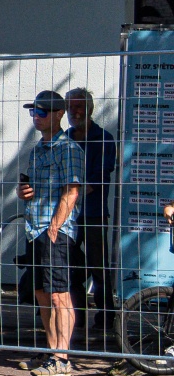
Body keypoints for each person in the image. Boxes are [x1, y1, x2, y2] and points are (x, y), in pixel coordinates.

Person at [19, 89, 84, 376]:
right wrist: (24, 192)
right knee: (42, 294)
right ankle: (50, 351)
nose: (36, 116)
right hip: (35, 229)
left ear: (59, 114)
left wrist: (56, 226)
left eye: (42, 112)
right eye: (33, 111)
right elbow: (35, 189)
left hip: (54, 231)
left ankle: (62, 358)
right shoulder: (37, 150)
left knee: (59, 295)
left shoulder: (69, 149)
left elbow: (72, 191)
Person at [65, 87, 115, 347]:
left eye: (79, 106)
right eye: (70, 107)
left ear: (90, 109)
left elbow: (99, 179)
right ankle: (77, 319)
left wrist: (69, 190)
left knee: (99, 266)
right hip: (67, 215)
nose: (74, 112)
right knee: (70, 266)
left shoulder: (104, 138)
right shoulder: (64, 138)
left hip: (93, 213)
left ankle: (106, 319)